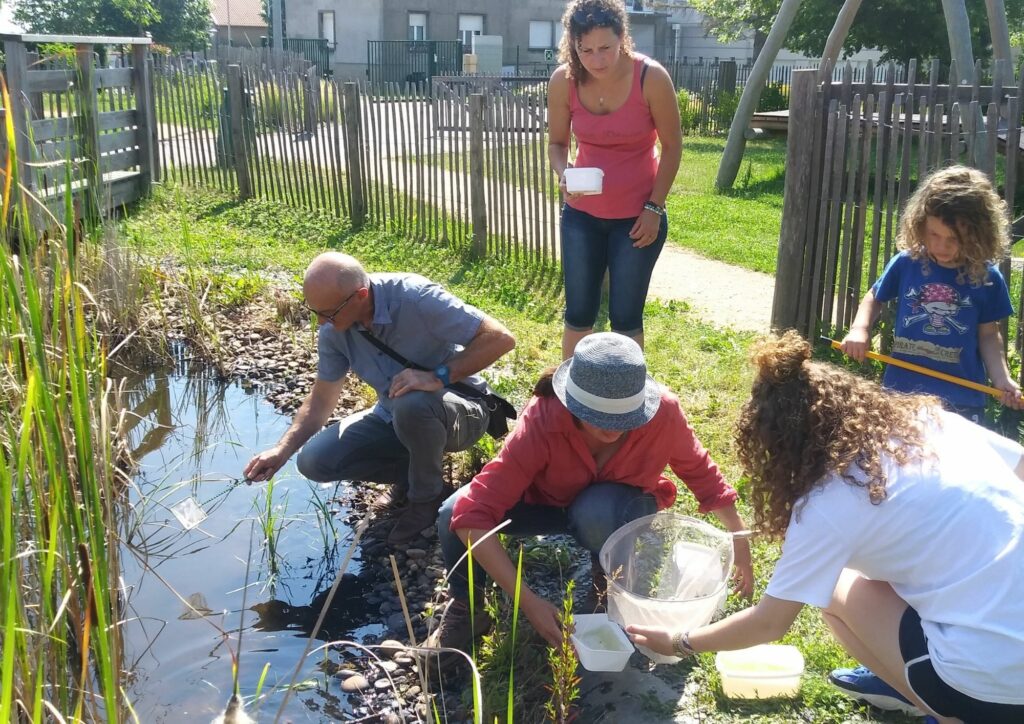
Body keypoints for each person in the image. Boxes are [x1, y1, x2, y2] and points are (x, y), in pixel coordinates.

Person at [627, 331, 1024, 723]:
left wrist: (680, 642)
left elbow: (769, 623)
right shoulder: (930, 421)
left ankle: (935, 705)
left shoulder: (829, 505)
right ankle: (919, 674)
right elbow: (1020, 465)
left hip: (989, 691)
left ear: (779, 447)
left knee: (833, 590)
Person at [427, 333, 753, 662]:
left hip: (617, 509)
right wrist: (529, 603)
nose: (612, 430)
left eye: (625, 419)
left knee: (596, 511)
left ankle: (608, 584)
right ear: (573, 403)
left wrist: (739, 537)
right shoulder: (545, 417)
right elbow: (471, 515)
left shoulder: (663, 413)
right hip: (547, 503)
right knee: (451, 511)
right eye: (599, 418)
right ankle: (470, 606)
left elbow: (700, 471)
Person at [243, 252, 515, 546]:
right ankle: (418, 479)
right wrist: (282, 451)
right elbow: (321, 402)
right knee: (313, 461)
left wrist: (436, 377)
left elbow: (500, 338)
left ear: (360, 295)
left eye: (329, 313)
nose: (322, 322)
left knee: (412, 403)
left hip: (462, 410)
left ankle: (425, 500)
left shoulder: (415, 298)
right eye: (315, 312)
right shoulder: (333, 330)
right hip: (394, 415)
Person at [547, 0, 682, 359]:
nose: (596, 59)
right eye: (585, 49)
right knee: (578, 314)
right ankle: (569, 400)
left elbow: (672, 147)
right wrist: (564, 174)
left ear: (623, 38)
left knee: (625, 318)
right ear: (573, 45)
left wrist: (655, 207)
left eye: (605, 48)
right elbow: (557, 144)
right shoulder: (564, 80)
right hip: (581, 216)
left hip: (638, 219)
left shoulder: (650, 77)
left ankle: (629, 403)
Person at [841, 164, 1024, 424]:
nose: (941, 246)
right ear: (919, 223)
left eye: (953, 239)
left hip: (961, 400)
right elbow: (874, 297)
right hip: (901, 393)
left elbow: (989, 336)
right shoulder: (907, 262)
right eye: (934, 234)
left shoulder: (986, 277)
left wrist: (1002, 378)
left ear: (977, 234)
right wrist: (859, 329)